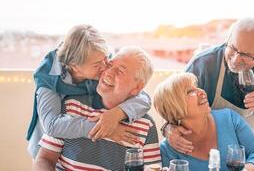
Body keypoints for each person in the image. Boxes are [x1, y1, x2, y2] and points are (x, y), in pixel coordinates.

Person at [165, 18, 254, 154]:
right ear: (228, 39)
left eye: (247, 55)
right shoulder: (203, 64)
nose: (235, 59)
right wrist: (168, 128)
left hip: (247, 155)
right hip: (203, 154)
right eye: (233, 48)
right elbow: (172, 102)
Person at [27, 25, 151, 158]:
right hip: (49, 148)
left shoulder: (96, 57)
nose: (106, 67)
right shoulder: (47, 77)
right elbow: (52, 125)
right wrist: (105, 128)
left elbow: (143, 98)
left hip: (86, 147)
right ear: (75, 65)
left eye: (106, 60)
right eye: (98, 64)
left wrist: (115, 115)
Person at [33, 46, 161, 170]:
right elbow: (44, 160)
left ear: (137, 88)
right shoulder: (72, 106)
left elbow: (153, 168)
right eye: (110, 65)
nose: (109, 72)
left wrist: (115, 115)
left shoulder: (146, 126)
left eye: (120, 71)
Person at [153, 73, 254, 171]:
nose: (201, 92)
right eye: (190, 91)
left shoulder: (228, 119)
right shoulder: (167, 150)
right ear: (176, 110)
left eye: (197, 87)